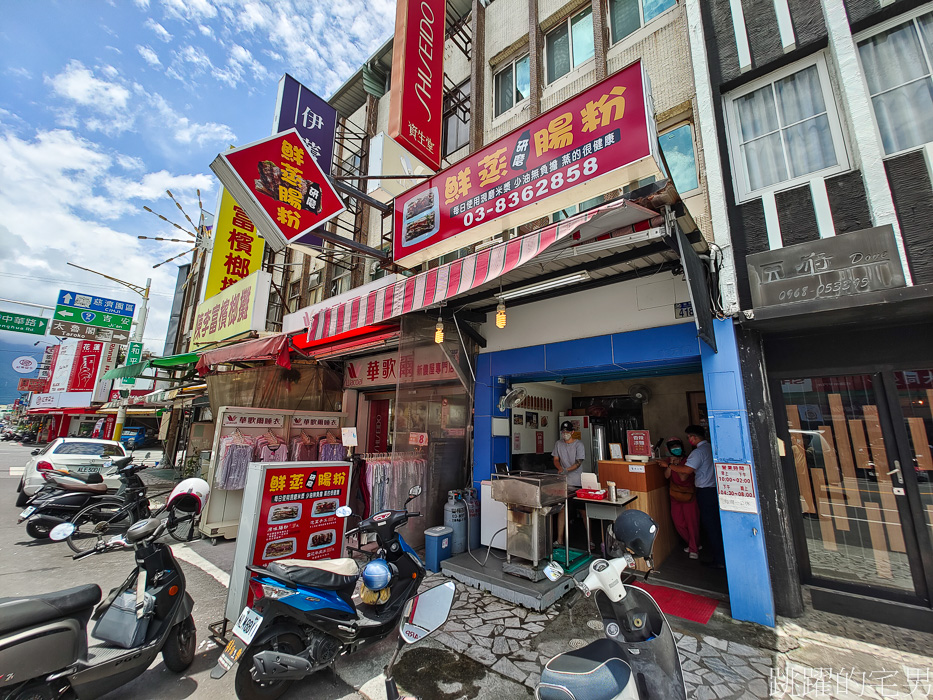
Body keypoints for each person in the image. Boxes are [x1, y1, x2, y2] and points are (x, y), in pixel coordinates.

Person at [684, 424, 725, 569]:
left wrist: (669, 466)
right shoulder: (710, 448)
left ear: (694, 437)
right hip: (715, 490)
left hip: (705, 492)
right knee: (715, 524)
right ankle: (720, 556)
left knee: (711, 525)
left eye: (689, 437)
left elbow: (687, 470)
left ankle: (720, 559)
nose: (689, 440)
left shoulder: (698, 452)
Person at [658, 437, 701, 559]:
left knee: (692, 522)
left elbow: (683, 478)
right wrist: (670, 464)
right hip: (675, 495)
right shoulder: (669, 461)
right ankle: (694, 543)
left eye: (677, 447)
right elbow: (666, 476)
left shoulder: (688, 460)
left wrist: (672, 465)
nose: (675, 449)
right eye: (673, 448)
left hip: (688, 495)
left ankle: (694, 549)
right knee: (678, 522)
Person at [552, 420, 585, 547]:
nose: (564, 434)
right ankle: (559, 540)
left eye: (567, 432)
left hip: (577, 482)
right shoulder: (558, 444)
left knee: (583, 511)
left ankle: (591, 540)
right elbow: (555, 459)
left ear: (572, 432)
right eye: (563, 432)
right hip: (564, 482)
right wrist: (559, 468)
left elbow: (578, 463)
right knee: (562, 509)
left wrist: (566, 470)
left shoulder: (579, 445)